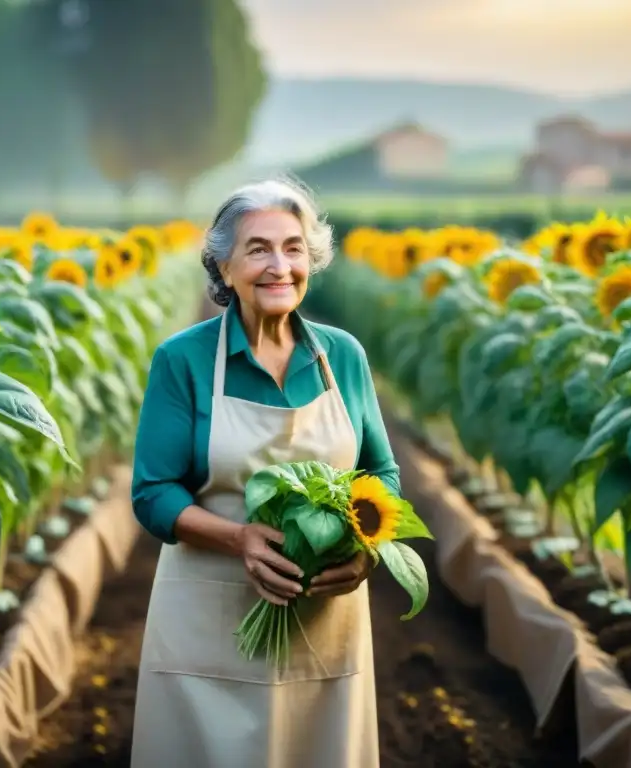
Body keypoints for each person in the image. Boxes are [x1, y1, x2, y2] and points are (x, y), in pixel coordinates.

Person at [129, 178, 400, 768]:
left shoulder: (342, 357)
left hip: (323, 625)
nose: (280, 267)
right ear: (224, 268)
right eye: (258, 249)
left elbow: (380, 471)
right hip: (211, 625)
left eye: (294, 248)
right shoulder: (184, 360)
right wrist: (240, 539)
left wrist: (368, 551)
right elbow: (152, 494)